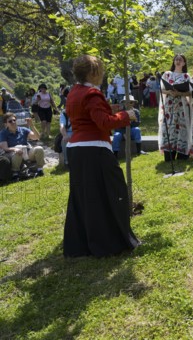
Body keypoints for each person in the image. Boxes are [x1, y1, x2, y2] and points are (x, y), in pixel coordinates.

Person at [63, 54, 140, 257]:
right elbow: (104, 123)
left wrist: (111, 108)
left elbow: (86, 114)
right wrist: (126, 116)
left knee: (85, 197)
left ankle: (82, 244)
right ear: (93, 73)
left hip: (77, 150)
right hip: (94, 149)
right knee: (113, 193)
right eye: (101, 71)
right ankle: (110, 242)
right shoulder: (91, 94)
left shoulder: (74, 92)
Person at [158, 54, 192, 161]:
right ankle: (169, 154)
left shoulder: (187, 76)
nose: (178, 61)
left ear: (184, 63)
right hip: (169, 105)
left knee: (182, 127)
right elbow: (162, 89)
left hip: (182, 106)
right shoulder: (167, 74)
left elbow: (190, 92)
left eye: (180, 60)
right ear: (173, 62)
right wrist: (169, 91)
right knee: (169, 127)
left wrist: (179, 93)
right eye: (176, 59)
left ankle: (182, 153)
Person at [0, 113, 45, 180]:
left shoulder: (23, 129)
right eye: (10, 121)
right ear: (6, 124)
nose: (13, 122)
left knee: (39, 148)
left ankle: (39, 170)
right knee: (18, 152)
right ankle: (15, 174)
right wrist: (15, 149)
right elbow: (5, 148)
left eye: (14, 120)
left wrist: (32, 126)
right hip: (13, 154)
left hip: (26, 152)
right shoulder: (3, 133)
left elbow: (36, 137)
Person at [58, 88, 72, 167]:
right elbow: (62, 126)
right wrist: (64, 135)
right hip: (69, 132)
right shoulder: (64, 113)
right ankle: (67, 162)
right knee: (64, 140)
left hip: (79, 132)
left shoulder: (80, 111)